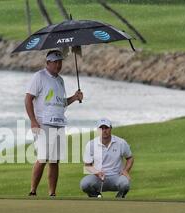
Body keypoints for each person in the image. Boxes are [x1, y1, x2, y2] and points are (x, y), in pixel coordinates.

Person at [25, 50, 83, 196]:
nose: (58, 65)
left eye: (60, 62)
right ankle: (33, 190)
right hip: (43, 123)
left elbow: (60, 103)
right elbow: (28, 99)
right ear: (48, 63)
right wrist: (33, 121)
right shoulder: (39, 76)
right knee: (43, 158)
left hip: (58, 123)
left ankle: (52, 193)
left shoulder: (60, 80)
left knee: (55, 160)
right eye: (55, 62)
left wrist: (75, 97)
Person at [80, 118, 134, 198]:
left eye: (106, 128)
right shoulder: (91, 144)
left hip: (117, 176)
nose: (104, 130)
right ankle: (97, 196)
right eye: (101, 128)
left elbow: (130, 157)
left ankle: (119, 198)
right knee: (84, 184)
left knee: (125, 184)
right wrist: (96, 173)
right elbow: (87, 165)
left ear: (111, 128)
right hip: (98, 177)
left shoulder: (121, 142)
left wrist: (125, 170)